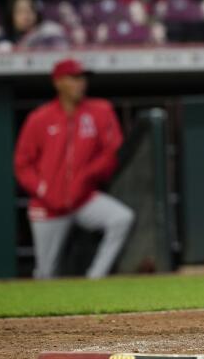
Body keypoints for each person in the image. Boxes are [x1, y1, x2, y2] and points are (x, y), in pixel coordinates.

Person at [13, 58, 135, 279]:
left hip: (83, 198)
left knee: (121, 218)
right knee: (46, 272)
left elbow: (112, 151)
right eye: (74, 78)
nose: (81, 83)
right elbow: (22, 163)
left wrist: (87, 176)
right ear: (58, 82)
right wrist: (42, 189)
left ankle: (95, 279)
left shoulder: (100, 111)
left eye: (82, 78)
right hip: (48, 204)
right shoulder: (39, 118)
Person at [0, 0, 69, 50]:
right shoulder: (2, 38)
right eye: (20, 11)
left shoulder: (49, 33)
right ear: (11, 15)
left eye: (30, 10)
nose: (26, 15)